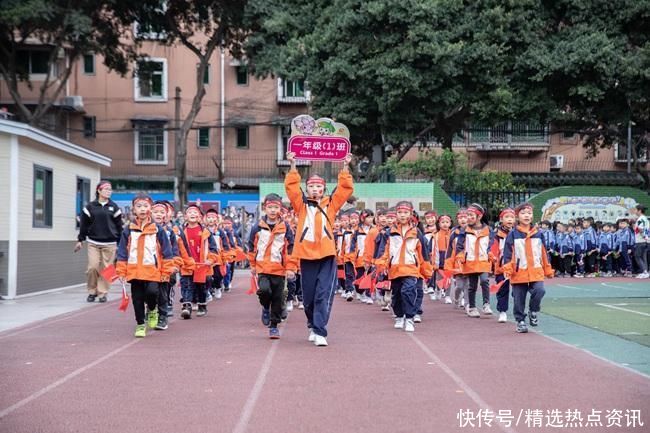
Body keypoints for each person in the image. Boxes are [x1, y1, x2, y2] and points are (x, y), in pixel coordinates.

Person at [284, 151, 353, 347]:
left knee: (324, 292)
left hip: (327, 255)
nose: (315, 189)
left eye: (319, 186)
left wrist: (345, 166)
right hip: (306, 255)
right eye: (311, 186)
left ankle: (320, 329)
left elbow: (345, 189)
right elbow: (291, 188)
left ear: (324, 189)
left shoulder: (331, 204)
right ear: (307, 189)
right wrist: (293, 164)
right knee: (309, 295)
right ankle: (312, 322)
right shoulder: (301, 205)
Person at [116, 194, 174, 338]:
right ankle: (140, 324)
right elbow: (122, 252)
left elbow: (167, 252)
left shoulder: (158, 230)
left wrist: (167, 270)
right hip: (134, 271)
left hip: (152, 270)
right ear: (134, 210)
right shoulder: (128, 230)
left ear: (150, 209)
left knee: (152, 292)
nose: (142, 209)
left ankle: (153, 309)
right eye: (139, 206)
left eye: (145, 206)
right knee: (137, 299)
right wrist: (121, 271)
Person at [376, 201, 432, 332]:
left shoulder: (417, 232)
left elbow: (423, 253)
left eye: (405, 212)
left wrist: (426, 271)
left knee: (408, 291)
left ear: (411, 214)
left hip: (411, 268)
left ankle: (410, 318)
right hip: (394, 269)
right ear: (396, 214)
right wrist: (381, 265)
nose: (402, 215)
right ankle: (399, 317)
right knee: (397, 294)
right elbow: (384, 251)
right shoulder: (389, 232)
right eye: (400, 212)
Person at [247, 193, 297, 339]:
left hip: (279, 269)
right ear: (265, 208)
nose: (273, 210)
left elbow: (290, 248)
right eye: (270, 207)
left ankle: (274, 326)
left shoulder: (285, 227)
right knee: (264, 291)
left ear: (280, 209)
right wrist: (252, 264)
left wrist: (290, 268)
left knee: (277, 297)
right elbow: (251, 247)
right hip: (262, 267)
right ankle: (264, 307)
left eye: (276, 207)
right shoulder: (257, 227)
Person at [502, 203, 554, 334]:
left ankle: (533, 310)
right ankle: (520, 321)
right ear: (517, 216)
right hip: (519, 272)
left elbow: (543, 253)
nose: (527, 216)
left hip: (536, 270)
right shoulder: (513, 234)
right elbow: (508, 254)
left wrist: (547, 269)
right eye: (523, 213)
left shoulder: (538, 234)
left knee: (540, 291)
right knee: (519, 299)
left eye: (529, 213)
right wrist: (508, 269)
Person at [75, 180, 123, 303]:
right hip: (93, 242)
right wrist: (80, 240)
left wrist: (121, 243)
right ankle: (92, 291)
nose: (109, 191)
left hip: (110, 243)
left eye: (110, 189)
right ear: (99, 191)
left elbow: (119, 227)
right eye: (106, 189)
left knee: (107, 270)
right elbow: (84, 225)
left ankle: (102, 293)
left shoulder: (114, 207)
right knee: (93, 267)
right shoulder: (90, 207)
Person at [453, 203, 494, 318]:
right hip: (470, 262)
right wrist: (460, 256)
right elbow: (459, 246)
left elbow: (491, 244)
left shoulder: (488, 230)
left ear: (479, 216)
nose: (468, 218)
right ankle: (472, 307)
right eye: (467, 215)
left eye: (471, 215)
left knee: (485, 280)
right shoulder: (464, 230)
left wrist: (490, 253)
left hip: (483, 261)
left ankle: (486, 304)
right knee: (472, 286)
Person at [632, 205, 649, 278]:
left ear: (639, 211)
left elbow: (640, 229)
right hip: (645, 241)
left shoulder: (640, 219)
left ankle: (644, 272)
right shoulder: (645, 219)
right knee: (643, 256)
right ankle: (645, 271)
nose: (634, 211)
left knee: (637, 256)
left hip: (641, 241)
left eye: (635, 210)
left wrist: (644, 237)